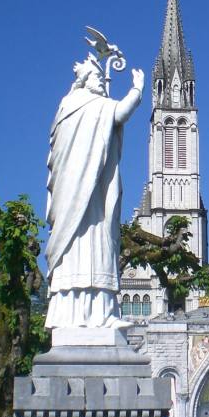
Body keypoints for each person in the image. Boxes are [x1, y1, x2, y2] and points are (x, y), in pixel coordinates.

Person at [44, 45, 144, 330]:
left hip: (94, 195)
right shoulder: (85, 105)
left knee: (100, 247)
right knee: (87, 250)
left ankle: (101, 313)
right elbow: (121, 112)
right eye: (97, 78)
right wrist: (137, 89)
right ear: (85, 79)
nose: (101, 82)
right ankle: (82, 317)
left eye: (102, 79)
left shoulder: (70, 107)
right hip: (77, 196)